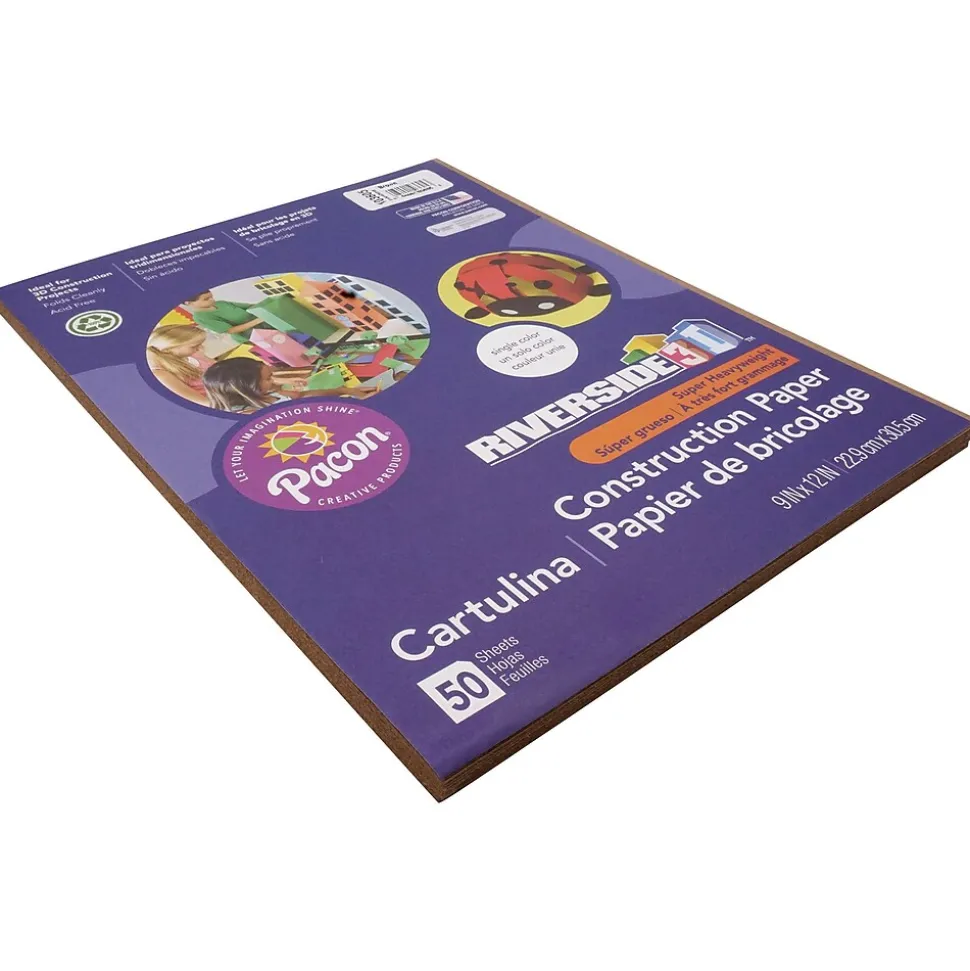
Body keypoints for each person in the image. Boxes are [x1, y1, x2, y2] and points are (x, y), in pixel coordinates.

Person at [146, 324, 216, 406]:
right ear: (168, 349)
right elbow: (202, 402)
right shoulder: (162, 374)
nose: (200, 348)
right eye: (194, 346)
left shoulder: (192, 354)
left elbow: (217, 366)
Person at [184, 291, 260, 344]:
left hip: (259, 323)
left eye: (211, 297)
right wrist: (257, 321)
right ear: (189, 303)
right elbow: (231, 330)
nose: (212, 300)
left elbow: (250, 306)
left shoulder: (220, 303)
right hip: (250, 335)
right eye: (206, 299)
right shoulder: (200, 317)